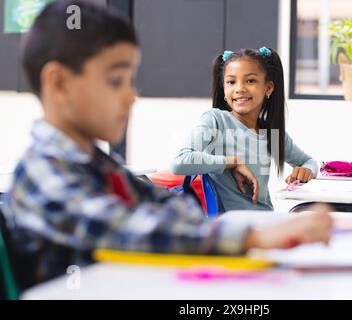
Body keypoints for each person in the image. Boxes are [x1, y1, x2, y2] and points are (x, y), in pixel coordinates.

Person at [1, 0, 332, 289]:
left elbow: (163, 205)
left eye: (131, 80)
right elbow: (129, 228)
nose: (132, 95)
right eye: (117, 81)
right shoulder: (42, 172)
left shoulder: (96, 165)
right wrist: (251, 237)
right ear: (59, 83)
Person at [172, 47, 317, 211]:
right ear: (224, 89)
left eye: (250, 81)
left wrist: (306, 170)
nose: (239, 88)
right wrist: (232, 162)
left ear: (268, 88)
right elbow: (179, 162)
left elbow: (309, 162)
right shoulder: (215, 120)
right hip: (232, 228)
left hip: (265, 220)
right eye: (231, 82)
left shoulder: (271, 133)